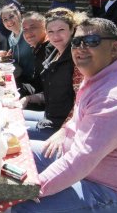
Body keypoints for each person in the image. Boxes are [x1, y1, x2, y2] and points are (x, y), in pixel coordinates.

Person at [11, 18, 117, 213]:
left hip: (115, 195)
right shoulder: (97, 76)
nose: (81, 48)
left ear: (114, 48)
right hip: (82, 165)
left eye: (92, 41)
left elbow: (80, 162)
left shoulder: (116, 99)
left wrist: (29, 190)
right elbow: (78, 121)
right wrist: (64, 131)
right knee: (17, 154)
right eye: (76, 42)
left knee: (17, 206)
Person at [20, 8, 83, 141]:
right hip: (50, 115)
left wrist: (64, 130)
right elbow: (52, 90)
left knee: (10, 132)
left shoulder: (77, 59)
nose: (55, 36)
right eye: (51, 31)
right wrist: (30, 99)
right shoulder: (54, 53)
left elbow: (81, 104)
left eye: (61, 30)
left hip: (62, 127)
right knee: (9, 117)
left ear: (72, 30)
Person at [16, 11, 50, 98]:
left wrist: (30, 99)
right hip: (35, 89)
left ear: (45, 27)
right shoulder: (38, 47)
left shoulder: (49, 50)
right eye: (25, 29)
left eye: (33, 27)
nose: (28, 32)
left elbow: (52, 91)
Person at [0, 4, 34, 87]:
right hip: (18, 77)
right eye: (5, 19)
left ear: (18, 14)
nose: (9, 21)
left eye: (11, 16)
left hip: (32, 80)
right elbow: (16, 58)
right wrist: (7, 56)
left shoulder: (29, 33)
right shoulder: (10, 37)